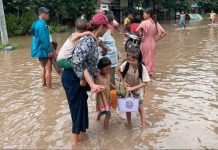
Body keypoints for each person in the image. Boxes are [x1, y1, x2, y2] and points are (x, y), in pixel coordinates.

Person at [61, 13, 108, 145]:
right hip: (73, 78)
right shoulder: (88, 40)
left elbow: (87, 62)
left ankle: (83, 138)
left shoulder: (92, 40)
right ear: (101, 27)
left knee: (82, 108)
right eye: (105, 27)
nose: (106, 30)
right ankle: (74, 144)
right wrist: (84, 79)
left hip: (78, 78)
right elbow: (77, 61)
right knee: (77, 110)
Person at [118, 47, 150, 128]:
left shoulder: (142, 68)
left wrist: (132, 88)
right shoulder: (126, 64)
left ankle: (143, 127)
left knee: (140, 108)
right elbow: (118, 71)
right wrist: (124, 82)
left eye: (133, 60)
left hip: (138, 90)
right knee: (127, 107)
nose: (130, 62)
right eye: (129, 59)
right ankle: (129, 123)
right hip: (128, 89)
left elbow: (145, 82)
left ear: (139, 60)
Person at [136, 7, 166, 77]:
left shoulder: (144, 22)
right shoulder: (155, 23)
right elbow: (164, 33)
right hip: (152, 43)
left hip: (145, 42)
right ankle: (149, 76)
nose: (143, 15)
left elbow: (137, 30)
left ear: (148, 14)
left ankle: (144, 76)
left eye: (144, 14)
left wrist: (141, 34)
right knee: (150, 60)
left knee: (143, 59)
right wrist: (155, 40)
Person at [31, 7, 53, 88]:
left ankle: (43, 85)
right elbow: (45, 39)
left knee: (43, 67)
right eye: (46, 13)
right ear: (42, 14)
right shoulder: (42, 25)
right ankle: (49, 89)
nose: (48, 15)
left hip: (38, 49)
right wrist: (49, 50)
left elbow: (32, 32)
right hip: (44, 49)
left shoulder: (35, 23)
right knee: (48, 68)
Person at [99, 13, 119, 85]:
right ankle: (110, 93)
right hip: (107, 62)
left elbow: (112, 44)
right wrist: (104, 48)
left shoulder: (109, 32)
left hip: (112, 62)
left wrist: (117, 53)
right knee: (109, 80)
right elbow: (99, 42)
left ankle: (111, 93)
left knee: (111, 78)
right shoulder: (104, 33)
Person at [96, 57, 115, 129]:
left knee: (102, 111)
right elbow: (95, 88)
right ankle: (106, 130)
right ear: (100, 69)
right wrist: (100, 87)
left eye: (109, 68)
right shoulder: (98, 77)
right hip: (102, 97)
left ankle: (97, 119)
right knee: (108, 114)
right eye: (106, 69)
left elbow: (108, 82)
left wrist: (112, 85)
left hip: (107, 96)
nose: (108, 70)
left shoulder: (107, 75)